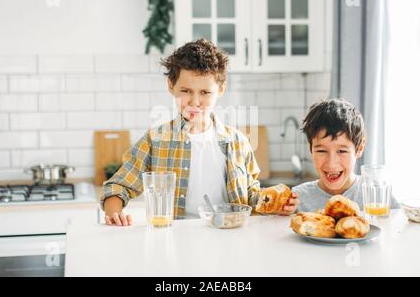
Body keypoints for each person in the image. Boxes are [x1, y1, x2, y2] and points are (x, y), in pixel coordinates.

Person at [101, 38, 299, 225]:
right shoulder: (156, 140)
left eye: (205, 92)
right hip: (175, 242)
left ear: (221, 89)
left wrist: (276, 203)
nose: (195, 102)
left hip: (228, 239)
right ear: (171, 85)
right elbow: (118, 186)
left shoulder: (238, 142)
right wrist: (115, 213)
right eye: (186, 91)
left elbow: (251, 197)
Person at [293, 98, 399, 212]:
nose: (331, 164)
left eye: (342, 151)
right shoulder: (297, 199)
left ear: (359, 148)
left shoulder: (377, 194)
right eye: (321, 151)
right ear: (311, 149)